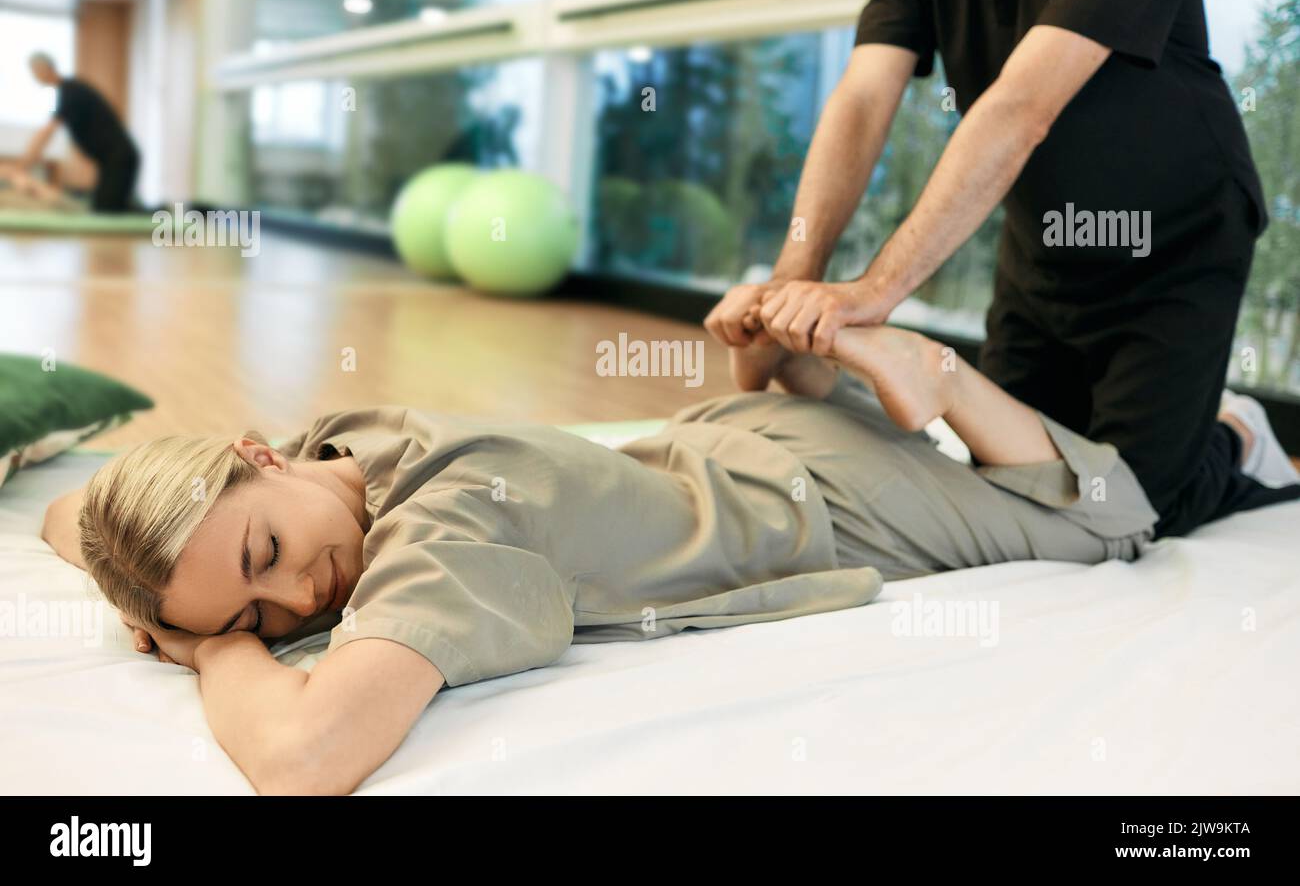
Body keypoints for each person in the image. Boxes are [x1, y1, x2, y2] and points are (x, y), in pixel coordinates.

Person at [43, 324, 1158, 794]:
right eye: (256, 616)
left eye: (267, 554)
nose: (300, 597)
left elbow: (303, 759)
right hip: (730, 434)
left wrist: (208, 653)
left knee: (1119, 511)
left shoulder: (440, 538)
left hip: (836, 503)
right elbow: (76, 516)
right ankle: (875, 382)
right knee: (1109, 471)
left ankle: (942, 372)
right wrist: (180, 596)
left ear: (251, 455)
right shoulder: (328, 450)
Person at [705, 0, 1300, 538]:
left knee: (1134, 509)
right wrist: (790, 281)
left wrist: (874, 291)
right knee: (1009, 478)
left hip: (1175, 241)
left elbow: (1020, 108)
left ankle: (1235, 432)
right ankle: (1190, 424)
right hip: (1043, 240)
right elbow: (862, 98)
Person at [18, 52, 140, 213]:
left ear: (44, 68)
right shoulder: (67, 90)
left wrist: (23, 165)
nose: (34, 76)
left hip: (119, 157)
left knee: (107, 211)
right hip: (111, 161)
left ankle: (165, 215)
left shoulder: (71, 90)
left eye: (34, 71)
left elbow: (46, 133)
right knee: (104, 206)